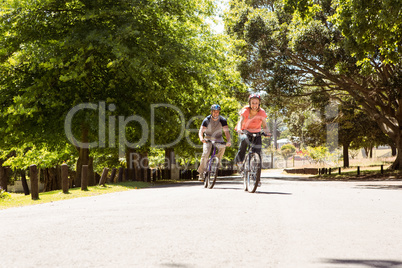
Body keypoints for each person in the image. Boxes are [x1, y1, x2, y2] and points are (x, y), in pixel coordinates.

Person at [234, 94, 271, 170]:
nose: (254, 105)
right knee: (244, 140)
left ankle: (257, 178)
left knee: (258, 153)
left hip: (256, 132)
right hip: (245, 131)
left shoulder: (261, 112)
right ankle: (240, 160)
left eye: (256, 103)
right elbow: (240, 121)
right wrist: (239, 129)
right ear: (250, 103)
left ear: (259, 104)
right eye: (253, 103)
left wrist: (267, 133)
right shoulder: (246, 110)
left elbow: (264, 125)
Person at [197, 104, 231, 181]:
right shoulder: (207, 120)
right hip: (208, 137)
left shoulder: (222, 120)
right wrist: (201, 138)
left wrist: (229, 141)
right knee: (205, 153)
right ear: (211, 112)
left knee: (223, 147)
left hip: (218, 138)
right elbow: (201, 131)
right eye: (214, 112)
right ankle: (201, 173)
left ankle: (217, 161)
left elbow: (227, 132)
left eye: (217, 112)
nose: (216, 113)